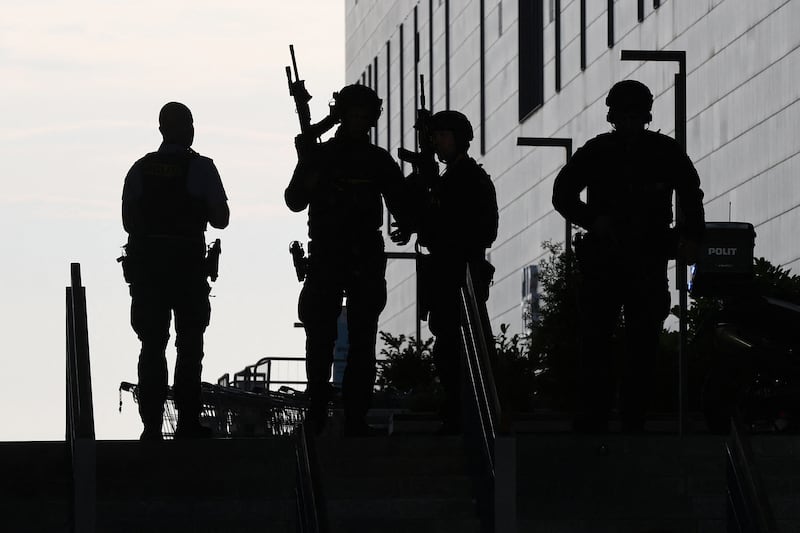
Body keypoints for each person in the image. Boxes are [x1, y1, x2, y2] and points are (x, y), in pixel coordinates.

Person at [552, 80, 705, 433]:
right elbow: (563, 194)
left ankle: (630, 415)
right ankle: (597, 413)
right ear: (614, 116)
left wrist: (692, 238)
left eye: (636, 115)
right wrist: (595, 220)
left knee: (641, 341)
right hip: (608, 258)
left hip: (647, 258)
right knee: (597, 340)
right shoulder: (599, 151)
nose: (631, 122)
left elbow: (690, 193)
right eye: (625, 115)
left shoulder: (663, 152)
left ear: (645, 115)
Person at [285, 84, 410, 437]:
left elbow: (400, 204)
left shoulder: (377, 160)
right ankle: (317, 413)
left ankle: (354, 416)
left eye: (364, 117)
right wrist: (309, 164)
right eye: (352, 115)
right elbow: (295, 199)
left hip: (364, 256)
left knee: (362, 339)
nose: (359, 123)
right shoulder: (321, 155)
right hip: (327, 254)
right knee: (320, 337)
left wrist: (409, 220)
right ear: (341, 116)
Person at [122, 102, 229, 441]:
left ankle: (151, 425)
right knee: (190, 344)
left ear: (161, 129)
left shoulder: (140, 169)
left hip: (149, 271)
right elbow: (221, 219)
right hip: (186, 268)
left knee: (152, 345)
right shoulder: (201, 168)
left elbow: (129, 221)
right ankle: (186, 423)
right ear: (189, 128)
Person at [406, 110, 498, 434]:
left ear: (460, 139)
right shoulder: (445, 179)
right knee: (446, 343)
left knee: (462, 344)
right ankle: (455, 407)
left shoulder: (471, 179)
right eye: (435, 136)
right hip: (444, 271)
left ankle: (463, 410)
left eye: (444, 136)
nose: (438, 143)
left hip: (462, 271)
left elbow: (485, 229)